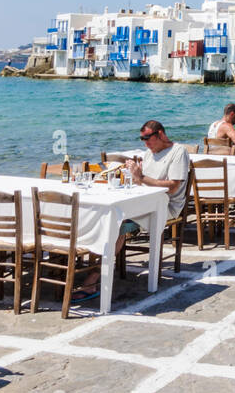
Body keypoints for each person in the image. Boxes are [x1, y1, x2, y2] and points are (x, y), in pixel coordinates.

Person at [77, 120, 190, 298]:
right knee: (100, 216)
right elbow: (140, 182)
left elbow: (173, 186)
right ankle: (89, 265)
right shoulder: (149, 153)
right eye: (142, 139)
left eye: (147, 138)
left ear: (160, 134)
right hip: (142, 202)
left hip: (164, 206)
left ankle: (93, 278)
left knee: (117, 223)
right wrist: (131, 177)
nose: (145, 143)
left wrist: (141, 176)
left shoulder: (178, 152)